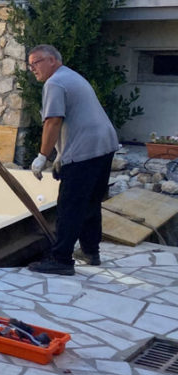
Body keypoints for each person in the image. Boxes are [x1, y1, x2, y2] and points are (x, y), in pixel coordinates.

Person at [26, 44, 119, 276]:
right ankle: (90, 251)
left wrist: (42, 157)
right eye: (29, 65)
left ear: (52, 60)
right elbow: (75, 121)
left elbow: (53, 121)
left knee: (70, 205)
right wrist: (61, 157)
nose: (32, 69)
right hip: (103, 145)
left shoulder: (55, 82)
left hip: (87, 149)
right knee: (90, 202)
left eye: (36, 62)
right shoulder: (71, 76)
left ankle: (61, 259)